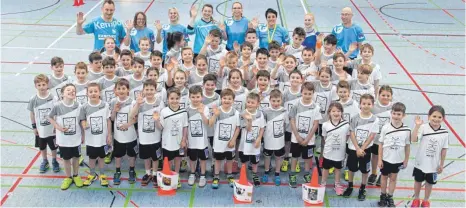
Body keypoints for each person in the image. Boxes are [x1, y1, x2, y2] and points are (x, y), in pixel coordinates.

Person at [410, 106, 449, 208]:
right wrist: (417, 126)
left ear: (443, 118)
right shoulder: (423, 127)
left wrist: (441, 164)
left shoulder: (444, 133)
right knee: (418, 182)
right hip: (420, 162)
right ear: (429, 116)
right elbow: (413, 139)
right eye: (434, 116)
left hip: (433, 165)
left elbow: (444, 149)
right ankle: (416, 199)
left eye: (439, 117)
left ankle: (426, 201)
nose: (436, 119)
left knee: (429, 184)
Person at [343, 94, 379, 201]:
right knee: (351, 168)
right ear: (360, 105)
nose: (366, 106)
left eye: (369, 104)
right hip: (353, 148)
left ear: (372, 105)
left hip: (366, 149)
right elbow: (352, 133)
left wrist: (362, 148)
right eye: (364, 103)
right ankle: (350, 186)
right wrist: (357, 148)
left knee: (364, 170)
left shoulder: (375, 119)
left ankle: (362, 188)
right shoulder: (355, 118)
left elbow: (372, 136)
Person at [129, 80, 164, 187]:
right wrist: (138, 105)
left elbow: (161, 121)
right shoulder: (138, 102)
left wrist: (157, 120)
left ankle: (154, 174)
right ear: (143, 90)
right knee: (146, 157)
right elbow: (131, 115)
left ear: (155, 90)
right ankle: (147, 173)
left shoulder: (160, 102)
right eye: (147, 89)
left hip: (156, 137)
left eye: (151, 89)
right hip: (144, 138)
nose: (149, 92)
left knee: (155, 158)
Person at [48, 84, 83, 190]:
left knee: (76, 158)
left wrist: (83, 136)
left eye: (73, 90)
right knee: (66, 159)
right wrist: (57, 127)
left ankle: (76, 175)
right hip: (63, 140)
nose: (71, 91)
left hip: (75, 138)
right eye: (68, 90)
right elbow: (50, 117)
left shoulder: (79, 105)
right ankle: (68, 177)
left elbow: (81, 121)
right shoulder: (57, 106)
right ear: (62, 93)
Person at [153, 88, 189, 189]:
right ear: (168, 99)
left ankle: (176, 177)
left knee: (178, 160)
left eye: (177, 98)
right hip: (167, 142)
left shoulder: (183, 111)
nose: (174, 100)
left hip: (179, 142)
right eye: (172, 98)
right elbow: (161, 127)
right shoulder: (164, 111)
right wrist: (156, 121)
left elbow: (185, 126)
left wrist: (184, 139)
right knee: (168, 161)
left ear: (180, 99)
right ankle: (168, 176)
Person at [288, 82, 321, 188]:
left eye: (310, 94)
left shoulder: (316, 107)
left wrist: (307, 138)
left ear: (313, 94)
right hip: (296, 138)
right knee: (294, 156)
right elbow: (292, 120)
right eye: (305, 93)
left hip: (309, 140)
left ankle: (307, 174)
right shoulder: (296, 105)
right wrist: (297, 136)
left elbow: (316, 124)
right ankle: (292, 175)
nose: (307, 96)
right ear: (301, 92)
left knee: (308, 158)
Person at [377, 102, 411, 207]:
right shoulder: (386, 128)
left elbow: (407, 146)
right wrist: (379, 159)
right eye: (394, 113)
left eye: (399, 114)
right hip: (386, 159)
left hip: (397, 160)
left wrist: (406, 160)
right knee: (383, 178)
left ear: (403, 115)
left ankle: (390, 196)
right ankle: (382, 196)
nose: (396, 116)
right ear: (391, 113)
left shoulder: (407, 130)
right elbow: (381, 144)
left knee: (393, 179)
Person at [80, 83, 112, 187]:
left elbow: (108, 121)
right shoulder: (84, 107)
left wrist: (109, 135)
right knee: (92, 157)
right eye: (91, 91)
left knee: (102, 157)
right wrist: (84, 124)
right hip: (91, 139)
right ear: (87, 93)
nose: (93, 93)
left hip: (102, 138)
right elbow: (82, 119)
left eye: (95, 91)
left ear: (100, 92)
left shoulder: (105, 105)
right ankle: (92, 174)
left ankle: (102, 175)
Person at [28, 74, 60, 173]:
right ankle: (45, 160)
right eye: (39, 85)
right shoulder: (33, 99)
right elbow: (32, 114)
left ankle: (54, 161)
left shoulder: (53, 98)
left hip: (52, 129)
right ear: (35, 86)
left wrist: (56, 126)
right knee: (42, 147)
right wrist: (34, 127)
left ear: (47, 85)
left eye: (43, 84)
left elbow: (57, 112)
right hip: (40, 130)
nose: (42, 87)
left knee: (53, 146)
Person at [209, 89, 241, 189]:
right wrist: (215, 115)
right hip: (218, 143)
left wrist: (233, 140)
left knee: (229, 160)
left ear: (233, 100)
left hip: (230, 143)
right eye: (224, 98)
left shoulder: (235, 113)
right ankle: (216, 176)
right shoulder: (217, 110)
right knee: (218, 160)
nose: (227, 100)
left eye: (229, 99)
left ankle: (229, 175)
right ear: (221, 99)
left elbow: (238, 127)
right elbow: (210, 124)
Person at [109, 78, 138, 185]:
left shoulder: (132, 102)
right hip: (118, 136)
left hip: (131, 135)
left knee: (131, 155)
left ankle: (131, 170)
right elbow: (112, 119)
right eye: (119, 88)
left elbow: (136, 118)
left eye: (123, 88)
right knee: (117, 155)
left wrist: (128, 124)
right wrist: (114, 111)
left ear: (128, 90)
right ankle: (117, 171)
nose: (121, 90)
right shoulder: (113, 101)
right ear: (115, 90)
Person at [320, 102, 349, 196]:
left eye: (338, 111)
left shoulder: (346, 125)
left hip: (340, 153)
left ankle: (337, 184)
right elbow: (325, 138)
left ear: (342, 112)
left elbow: (347, 137)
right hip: (328, 152)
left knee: (338, 169)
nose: (336, 113)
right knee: (325, 168)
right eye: (333, 111)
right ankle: (323, 183)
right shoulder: (325, 125)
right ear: (329, 112)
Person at [238, 92, 265, 186]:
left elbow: (262, 127)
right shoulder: (243, 114)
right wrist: (249, 121)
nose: (250, 104)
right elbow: (248, 129)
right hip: (244, 144)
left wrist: (259, 139)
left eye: (252, 102)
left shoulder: (260, 114)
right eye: (248, 102)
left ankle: (254, 174)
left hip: (256, 143)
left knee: (255, 160)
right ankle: (243, 174)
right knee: (244, 160)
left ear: (258, 104)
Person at [186, 86, 210, 188]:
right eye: (193, 97)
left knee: (203, 159)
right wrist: (185, 138)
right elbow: (185, 125)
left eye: (197, 97)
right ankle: (192, 173)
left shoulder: (205, 108)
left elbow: (207, 123)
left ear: (202, 97)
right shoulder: (187, 109)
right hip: (191, 141)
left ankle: (203, 175)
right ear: (189, 97)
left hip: (202, 141)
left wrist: (202, 113)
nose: (195, 99)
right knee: (192, 158)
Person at [370, 85, 394, 187]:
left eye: (388, 95)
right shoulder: (373, 106)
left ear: (391, 96)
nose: (385, 97)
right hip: (375, 138)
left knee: (385, 158)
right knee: (375, 156)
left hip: (387, 140)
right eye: (383, 95)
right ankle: (374, 173)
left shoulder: (393, 107)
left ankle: (382, 174)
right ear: (378, 95)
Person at [261, 89, 287, 186]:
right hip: (268, 140)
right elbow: (262, 125)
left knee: (278, 157)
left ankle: (277, 173)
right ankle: (266, 171)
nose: (276, 103)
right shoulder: (265, 111)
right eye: (273, 101)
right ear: (270, 100)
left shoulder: (284, 111)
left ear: (281, 100)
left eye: (278, 101)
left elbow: (285, 124)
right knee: (267, 157)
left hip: (279, 141)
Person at [281, 70, 303, 173]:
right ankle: (286, 159)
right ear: (289, 79)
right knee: (287, 142)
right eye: (293, 77)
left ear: (301, 80)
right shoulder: (285, 93)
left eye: (297, 77)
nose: (295, 79)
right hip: (288, 123)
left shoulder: (303, 93)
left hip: (299, 124)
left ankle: (296, 160)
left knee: (296, 143)